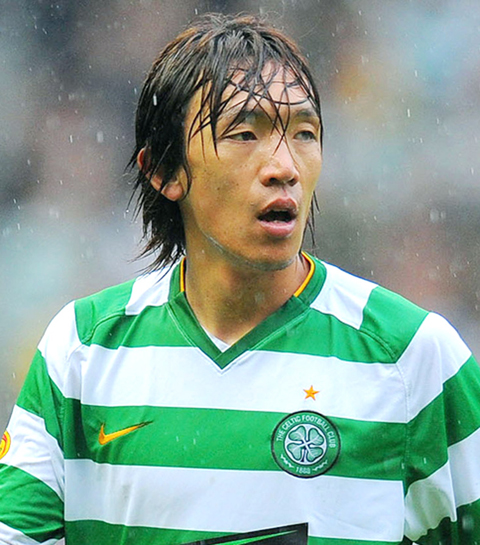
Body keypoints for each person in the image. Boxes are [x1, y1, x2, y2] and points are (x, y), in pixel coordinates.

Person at [0, 13, 479, 545]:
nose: (284, 167)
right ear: (164, 170)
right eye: (245, 133)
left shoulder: (413, 357)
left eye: (305, 133)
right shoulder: (82, 350)